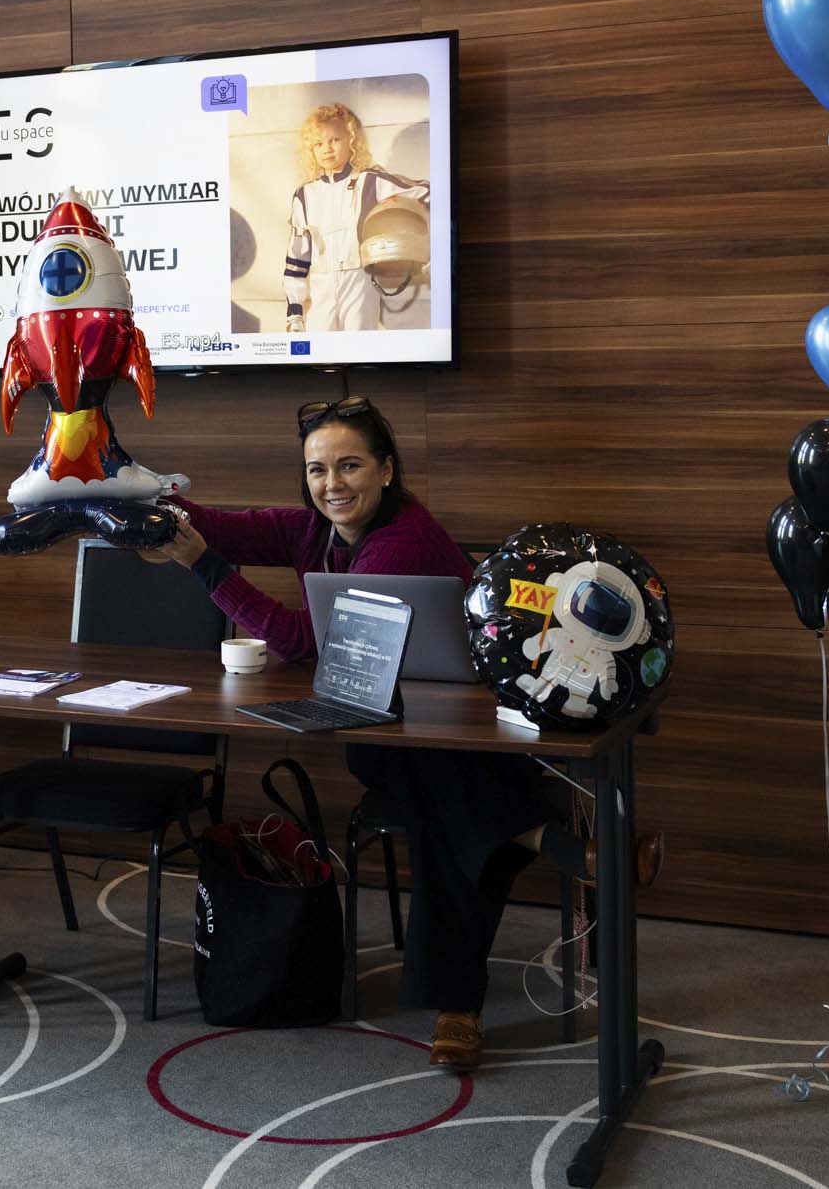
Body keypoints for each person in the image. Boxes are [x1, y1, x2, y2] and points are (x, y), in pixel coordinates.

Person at [155, 395, 661, 1071]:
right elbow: (222, 525)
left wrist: (206, 567)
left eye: (349, 465)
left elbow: (306, 642)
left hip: (465, 732)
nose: (331, 483)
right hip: (384, 734)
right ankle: (563, 845)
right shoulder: (314, 529)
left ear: (386, 469)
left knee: (442, 806)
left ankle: (460, 1006)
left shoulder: (403, 539)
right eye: (316, 470)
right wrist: (142, 499)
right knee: (450, 785)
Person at [282, 104, 429, 334]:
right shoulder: (305, 195)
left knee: (359, 345)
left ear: (351, 140)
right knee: (322, 348)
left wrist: (410, 219)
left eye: (334, 140)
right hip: (321, 285)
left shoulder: (369, 180)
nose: (327, 149)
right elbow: (297, 256)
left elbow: (426, 192)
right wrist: (295, 311)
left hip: (359, 281)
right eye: (318, 144)